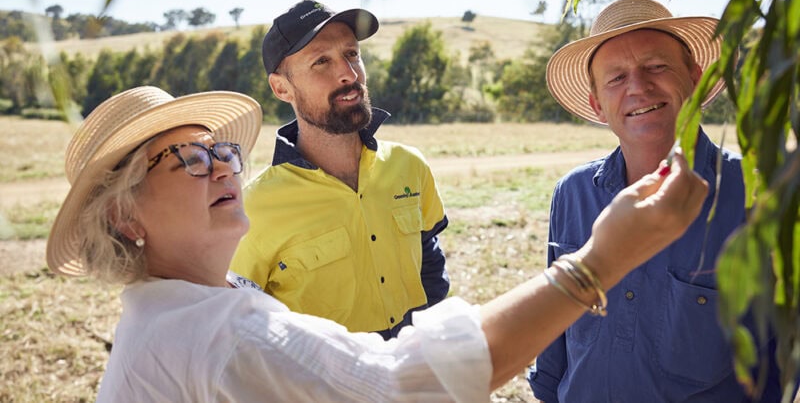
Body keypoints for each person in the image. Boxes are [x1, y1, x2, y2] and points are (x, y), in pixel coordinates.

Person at [47, 85, 707, 402]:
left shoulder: (181, 314)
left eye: (220, 149)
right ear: (125, 215)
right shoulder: (220, 338)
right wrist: (599, 261)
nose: (223, 166)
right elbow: (400, 386)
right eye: (187, 158)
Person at [527, 0, 783, 402]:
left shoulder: (756, 193)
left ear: (695, 77)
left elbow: (780, 359)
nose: (638, 87)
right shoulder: (572, 194)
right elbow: (554, 343)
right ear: (597, 104)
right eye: (616, 78)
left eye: (656, 67)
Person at [229, 0, 450, 339]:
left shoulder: (409, 166)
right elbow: (241, 326)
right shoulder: (254, 209)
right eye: (321, 61)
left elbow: (430, 261)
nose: (349, 73)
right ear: (281, 88)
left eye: (351, 54)